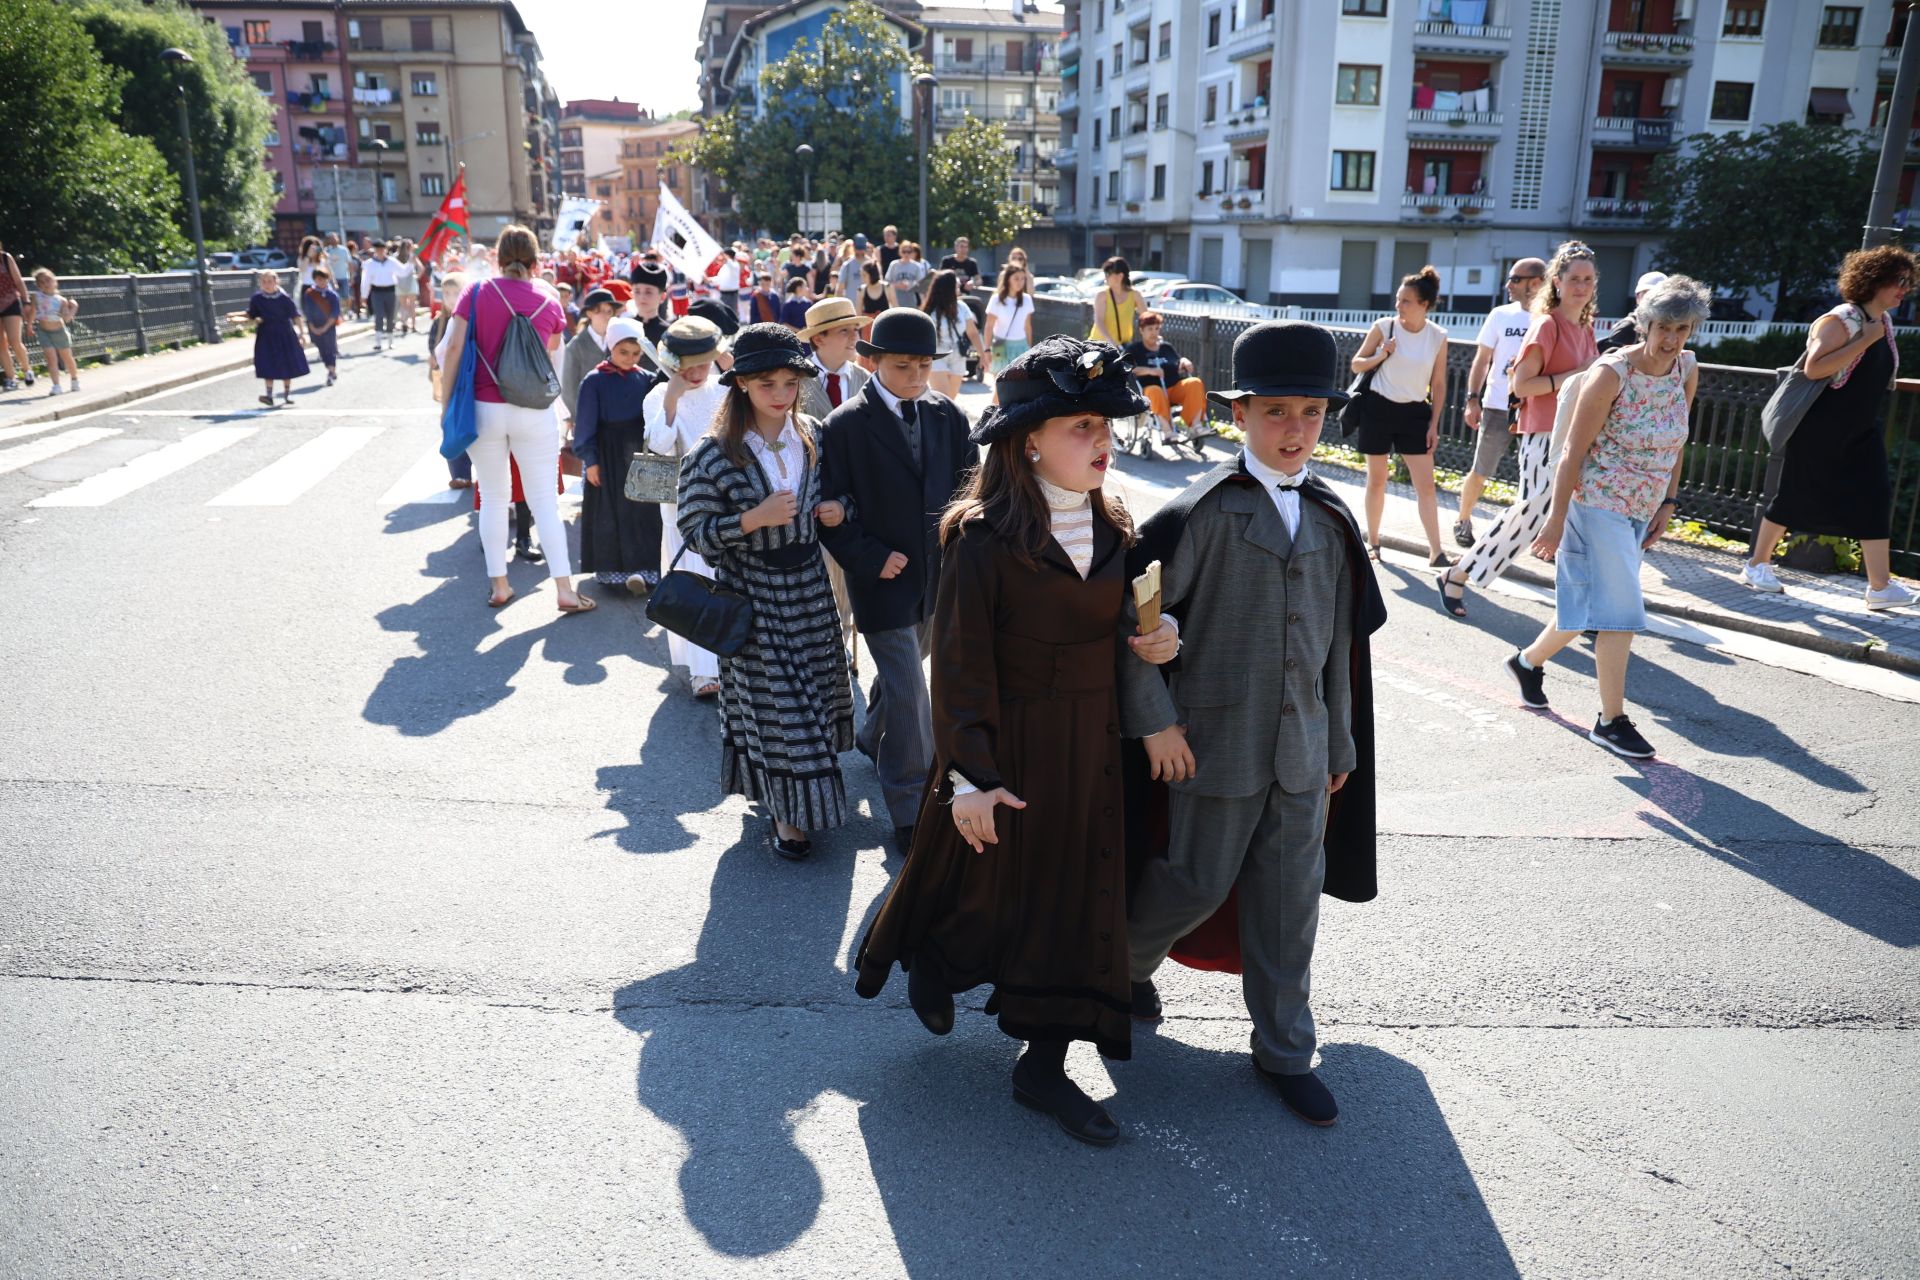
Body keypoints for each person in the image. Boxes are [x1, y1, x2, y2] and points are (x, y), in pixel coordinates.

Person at [854, 335, 1181, 1147]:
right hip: (1000, 742)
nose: (1102, 441)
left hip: (1091, 747)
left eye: (1107, 426)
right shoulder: (981, 540)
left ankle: (1044, 1064)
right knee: (979, 890)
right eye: (1081, 425)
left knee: (1076, 902)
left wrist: (1158, 635)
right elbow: (957, 670)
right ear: (1027, 439)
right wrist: (969, 777)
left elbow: (1127, 630)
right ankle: (930, 955)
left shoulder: (1116, 529)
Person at [1120, 320, 1387, 1129]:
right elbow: (1136, 628)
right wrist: (1158, 725)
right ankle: (1118, 965)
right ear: (1239, 415)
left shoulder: (1333, 518)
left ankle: (1284, 1051)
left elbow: (1341, 644)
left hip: (1304, 754)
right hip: (1215, 749)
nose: (1295, 429)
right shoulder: (1199, 514)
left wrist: (1340, 740)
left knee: (1288, 904)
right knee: (1195, 883)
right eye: (1276, 412)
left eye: (1310, 412)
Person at [1507, 277, 1709, 757]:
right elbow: (1572, 452)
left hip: (1642, 507)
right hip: (1597, 503)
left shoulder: (1686, 369)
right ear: (1644, 323)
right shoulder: (1611, 374)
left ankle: (1527, 662)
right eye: (1662, 326)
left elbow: (1678, 437)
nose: (1671, 339)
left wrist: (1669, 502)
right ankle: (1610, 720)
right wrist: (1555, 521)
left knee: (1587, 603)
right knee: (1618, 613)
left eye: (1682, 329)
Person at [676, 324, 855, 859]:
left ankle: (786, 800)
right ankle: (789, 821)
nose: (780, 395)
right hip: (751, 595)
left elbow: (839, 495)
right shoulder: (713, 454)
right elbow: (695, 531)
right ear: (742, 387)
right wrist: (752, 519)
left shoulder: (813, 434)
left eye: (789, 383)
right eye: (766, 384)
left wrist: (839, 509)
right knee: (780, 711)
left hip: (810, 589)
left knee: (815, 699)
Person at [816, 307, 980, 853]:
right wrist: (868, 556)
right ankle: (911, 807)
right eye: (903, 365)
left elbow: (970, 486)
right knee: (913, 691)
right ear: (875, 362)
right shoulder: (843, 425)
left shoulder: (948, 416)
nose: (916, 376)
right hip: (882, 580)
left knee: (907, 675)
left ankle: (870, 734)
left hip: (939, 576)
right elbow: (830, 508)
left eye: (925, 365)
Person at [1745, 245, 1919, 610]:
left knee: (1876, 497)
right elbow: (1815, 367)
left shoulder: (1882, 323)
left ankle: (1880, 587)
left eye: (1909, 282)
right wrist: (1866, 341)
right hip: (1819, 429)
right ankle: (1757, 564)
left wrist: (1874, 337)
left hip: (1859, 430)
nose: (1905, 289)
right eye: (1898, 281)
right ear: (1874, 280)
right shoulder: (1842, 320)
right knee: (1794, 496)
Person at [1437, 241, 1600, 618]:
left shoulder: (1585, 327)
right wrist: (1573, 376)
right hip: (1543, 433)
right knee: (1534, 514)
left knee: (1572, 519)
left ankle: (1582, 608)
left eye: (1588, 280)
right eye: (1574, 278)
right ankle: (1457, 573)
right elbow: (1521, 386)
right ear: (1556, 282)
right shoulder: (1546, 324)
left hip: (1575, 433)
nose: (1581, 286)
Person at [437, 225, 592, 614]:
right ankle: (564, 591)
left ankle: (500, 585)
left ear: (497, 258)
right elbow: (553, 352)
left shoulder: (475, 293)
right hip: (533, 410)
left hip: (484, 407)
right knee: (544, 503)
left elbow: (453, 348)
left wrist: (446, 406)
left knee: (492, 497)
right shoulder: (549, 299)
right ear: (537, 261)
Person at [643, 316, 731, 698]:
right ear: (672, 362)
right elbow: (659, 445)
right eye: (687, 363)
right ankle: (702, 669)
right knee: (694, 578)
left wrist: (728, 367)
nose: (696, 371)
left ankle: (729, 659)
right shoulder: (657, 394)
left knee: (728, 578)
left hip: (729, 496)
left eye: (704, 361)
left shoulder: (726, 390)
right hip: (683, 501)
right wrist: (671, 398)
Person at [1347, 265, 1450, 564]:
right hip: (1378, 408)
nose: (1398, 305)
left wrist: (1434, 424)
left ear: (1424, 305)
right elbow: (1356, 364)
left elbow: (1439, 383)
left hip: (1415, 413)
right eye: (1398, 299)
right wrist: (1381, 354)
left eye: (1405, 300)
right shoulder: (1384, 326)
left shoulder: (1437, 337)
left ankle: (1436, 551)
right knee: (1377, 480)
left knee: (1426, 485)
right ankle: (1374, 542)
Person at [1457, 257, 1547, 547]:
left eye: (1515, 279)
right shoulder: (1500, 315)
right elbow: (1482, 360)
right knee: (1481, 469)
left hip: (1536, 409)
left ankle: (1526, 536)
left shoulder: (1549, 318)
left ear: (1535, 283)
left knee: (1535, 480)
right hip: (1497, 406)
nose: (1508, 284)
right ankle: (1463, 520)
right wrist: (1472, 400)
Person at [575, 317, 666, 597]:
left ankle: (647, 569)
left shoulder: (645, 379)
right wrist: (590, 460)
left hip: (639, 454)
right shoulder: (594, 381)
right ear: (610, 347)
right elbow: (585, 425)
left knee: (643, 514)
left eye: (636, 353)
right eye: (622, 352)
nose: (629, 358)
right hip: (609, 456)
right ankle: (614, 572)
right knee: (612, 514)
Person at [1124, 310, 1207, 446]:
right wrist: (1150, 371)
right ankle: (1168, 431)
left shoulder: (1166, 347)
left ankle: (1196, 426)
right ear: (1141, 330)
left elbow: (1177, 362)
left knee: (1195, 382)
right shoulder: (1134, 349)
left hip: (1173, 387)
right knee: (1155, 391)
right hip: (1150, 390)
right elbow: (1126, 368)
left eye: (1156, 328)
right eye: (1150, 329)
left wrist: (1184, 361)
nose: (1154, 332)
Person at [426, 271, 472, 489]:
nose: (451, 298)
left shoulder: (470, 317)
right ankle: (459, 473)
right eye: (446, 293)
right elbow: (433, 344)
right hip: (447, 379)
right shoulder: (440, 320)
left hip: (466, 378)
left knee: (468, 423)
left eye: (456, 293)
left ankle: (473, 468)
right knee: (451, 424)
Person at [243, 271, 309, 406]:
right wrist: (243, 319)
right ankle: (269, 395)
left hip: (285, 334)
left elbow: (296, 316)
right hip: (265, 334)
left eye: (269, 281)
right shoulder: (257, 298)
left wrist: (302, 334)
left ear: (276, 282)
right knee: (267, 363)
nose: (267, 284)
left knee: (286, 364)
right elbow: (252, 314)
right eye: (264, 281)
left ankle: (287, 394)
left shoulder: (284, 298)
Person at [921, 269, 983, 400]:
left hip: (958, 355)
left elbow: (972, 332)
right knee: (943, 399)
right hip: (937, 355)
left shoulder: (962, 307)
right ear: (947, 288)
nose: (959, 285)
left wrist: (982, 355)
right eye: (956, 283)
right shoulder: (930, 311)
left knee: (951, 399)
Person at [28, 268, 79, 396]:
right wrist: (29, 325)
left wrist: (74, 307)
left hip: (59, 331)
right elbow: (33, 311)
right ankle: (56, 385)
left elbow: (66, 318)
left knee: (67, 357)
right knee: (51, 359)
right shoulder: (36, 297)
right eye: (42, 282)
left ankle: (74, 379)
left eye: (48, 280)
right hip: (43, 331)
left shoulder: (61, 300)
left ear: (54, 281)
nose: (46, 283)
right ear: (38, 285)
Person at [982, 262, 1035, 379]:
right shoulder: (997, 299)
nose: (1020, 282)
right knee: (999, 386)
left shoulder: (1027, 299)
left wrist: (1030, 350)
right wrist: (986, 349)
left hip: (1021, 346)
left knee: (1018, 385)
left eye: (1022, 279)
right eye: (1016, 278)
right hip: (1000, 345)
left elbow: (1027, 326)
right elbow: (989, 326)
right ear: (1008, 279)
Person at [1596, 271, 1669, 355]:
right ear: (1638, 297)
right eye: (1648, 295)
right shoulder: (1628, 327)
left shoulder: (1669, 327)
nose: (1654, 301)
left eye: (1660, 296)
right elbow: (1607, 359)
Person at [1087, 256, 1146, 348]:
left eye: (1108, 274)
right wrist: (1110, 341)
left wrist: (1151, 337)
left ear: (1120, 276)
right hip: (1100, 345)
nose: (1105, 277)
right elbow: (1099, 321)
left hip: (1123, 346)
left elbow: (1146, 318)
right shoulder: (1102, 295)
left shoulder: (1135, 295)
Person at [360, 241, 408, 351]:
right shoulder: (370, 263)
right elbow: (366, 280)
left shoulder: (391, 261)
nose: (380, 252)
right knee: (379, 315)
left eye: (382, 249)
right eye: (378, 250)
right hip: (377, 292)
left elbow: (403, 271)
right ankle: (378, 342)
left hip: (390, 291)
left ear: (385, 250)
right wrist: (364, 295)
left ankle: (390, 341)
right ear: (375, 251)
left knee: (391, 316)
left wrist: (411, 262)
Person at [299, 266, 343, 387]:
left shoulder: (332, 295)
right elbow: (307, 311)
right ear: (314, 280)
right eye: (318, 279)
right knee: (321, 349)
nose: (321, 282)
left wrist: (325, 327)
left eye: (323, 279)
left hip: (329, 326)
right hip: (314, 325)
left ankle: (331, 371)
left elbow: (335, 313)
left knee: (330, 349)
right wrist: (312, 326)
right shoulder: (309, 294)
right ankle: (330, 368)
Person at [0, 239, 33, 391]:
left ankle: (27, 370)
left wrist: (26, 302)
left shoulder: (5, 258)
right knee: (1, 344)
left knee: (14, 340)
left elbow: (19, 282)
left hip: (10, 302)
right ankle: (11, 378)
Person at [886, 241, 928, 309]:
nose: (906, 254)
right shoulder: (894, 265)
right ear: (900, 252)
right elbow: (886, 282)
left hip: (911, 302)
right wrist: (897, 285)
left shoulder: (916, 266)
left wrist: (910, 285)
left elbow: (921, 286)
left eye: (909, 252)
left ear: (912, 252)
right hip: (895, 302)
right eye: (904, 251)